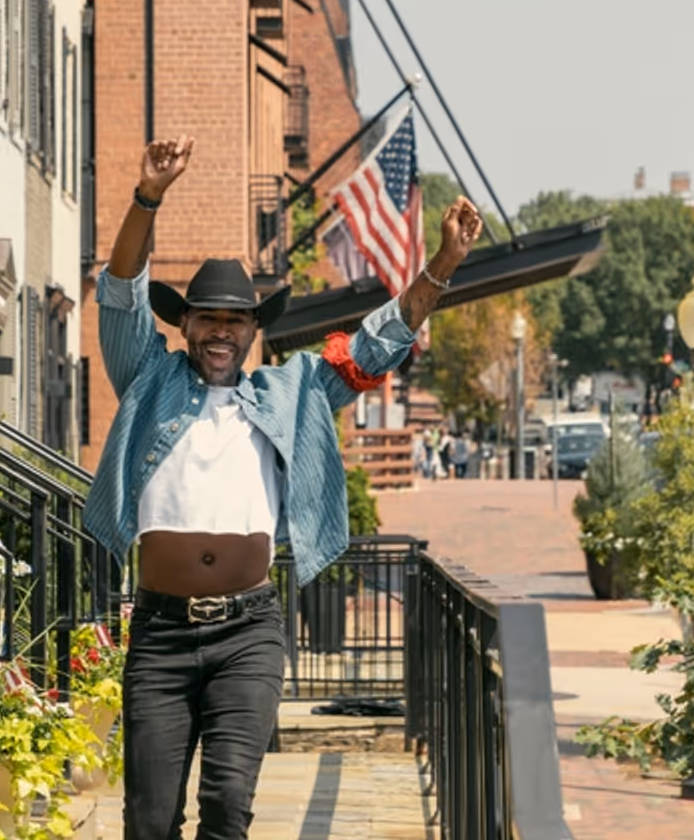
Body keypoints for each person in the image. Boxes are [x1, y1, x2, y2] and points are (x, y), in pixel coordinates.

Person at [87, 136, 483, 840]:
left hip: (249, 631)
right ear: (183, 325)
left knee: (228, 804)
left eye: (234, 320)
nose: (219, 331)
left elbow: (375, 345)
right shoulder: (147, 378)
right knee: (148, 821)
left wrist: (444, 264)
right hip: (160, 633)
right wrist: (148, 195)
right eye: (206, 317)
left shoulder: (290, 390)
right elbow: (119, 294)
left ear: (252, 331)